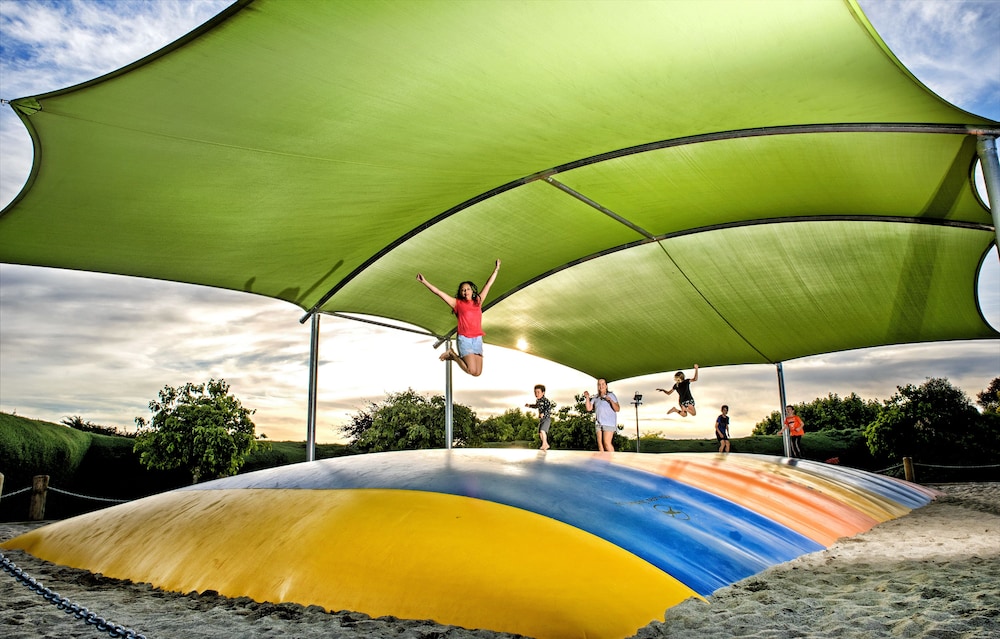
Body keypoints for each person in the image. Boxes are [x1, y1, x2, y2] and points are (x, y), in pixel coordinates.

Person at [416, 260, 500, 377]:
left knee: (477, 373)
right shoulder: (456, 303)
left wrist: (496, 269)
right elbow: (438, 292)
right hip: (465, 338)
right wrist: (424, 281)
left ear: (472, 291)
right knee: (471, 370)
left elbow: (488, 285)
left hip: (477, 338)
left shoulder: (478, 301)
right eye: (463, 290)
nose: (466, 291)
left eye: (468, 289)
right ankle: (453, 354)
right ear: (461, 293)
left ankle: (453, 356)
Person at [584, 378, 620, 452]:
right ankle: (603, 462)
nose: (601, 386)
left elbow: (617, 409)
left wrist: (610, 401)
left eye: (603, 384)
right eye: (599, 384)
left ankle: (613, 460)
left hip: (608, 423)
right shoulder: (596, 397)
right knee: (600, 445)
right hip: (599, 423)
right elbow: (589, 408)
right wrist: (587, 397)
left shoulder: (611, 395)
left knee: (606, 443)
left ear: (606, 386)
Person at [525, 384, 555, 451]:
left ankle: (545, 444)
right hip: (542, 419)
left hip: (546, 418)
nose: (536, 394)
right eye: (535, 392)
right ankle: (545, 444)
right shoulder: (538, 401)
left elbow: (548, 408)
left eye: (538, 392)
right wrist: (529, 405)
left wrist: (543, 413)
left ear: (543, 392)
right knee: (540, 433)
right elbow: (536, 406)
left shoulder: (545, 400)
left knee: (543, 430)